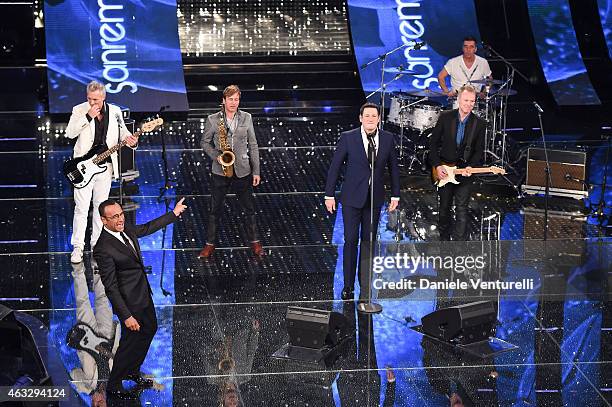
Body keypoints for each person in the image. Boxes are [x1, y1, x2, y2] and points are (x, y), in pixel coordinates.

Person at [93, 197, 187, 398]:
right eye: (114, 217)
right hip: (129, 303)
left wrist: (174, 214)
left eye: (121, 214)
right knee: (130, 341)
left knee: (150, 328)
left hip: (143, 294)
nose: (120, 219)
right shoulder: (103, 248)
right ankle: (114, 382)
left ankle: (132, 371)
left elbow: (147, 228)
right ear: (104, 220)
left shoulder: (125, 229)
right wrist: (126, 316)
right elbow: (110, 287)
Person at [324, 103, 400, 300]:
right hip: (351, 199)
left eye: (374, 116)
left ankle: (365, 285)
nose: (370, 119)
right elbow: (335, 167)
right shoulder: (348, 138)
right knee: (350, 241)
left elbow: (393, 168)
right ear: (360, 118)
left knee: (369, 243)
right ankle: (348, 287)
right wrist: (329, 195)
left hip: (374, 200)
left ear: (379, 119)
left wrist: (395, 194)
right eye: (367, 116)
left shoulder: (387, 138)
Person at [65, 80, 138, 264]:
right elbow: (70, 133)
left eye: (96, 99)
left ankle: (96, 245)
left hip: (105, 167)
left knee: (100, 208)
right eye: (89, 99)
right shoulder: (79, 110)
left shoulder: (114, 112)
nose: (92, 103)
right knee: (81, 208)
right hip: (84, 167)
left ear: (103, 97)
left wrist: (132, 141)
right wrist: (87, 116)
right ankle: (78, 247)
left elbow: (124, 133)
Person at [199, 85, 263, 258]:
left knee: (249, 209)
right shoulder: (213, 120)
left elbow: (254, 144)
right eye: (231, 99)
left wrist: (256, 171)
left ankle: (255, 243)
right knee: (215, 210)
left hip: (242, 170)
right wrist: (216, 157)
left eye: (237, 99)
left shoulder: (247, 117)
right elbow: (204, 142)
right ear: (224, 100)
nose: (234, 103)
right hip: (220, 170)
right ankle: (209, 245)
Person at [429, 85, 486, 241]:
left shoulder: (479, 123)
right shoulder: (445, 117)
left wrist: (471, 166)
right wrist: (437, 165)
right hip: (445, 170)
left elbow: (478, 151)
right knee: (444, 210)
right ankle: (444, 243)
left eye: (472, 101)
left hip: (465, 173)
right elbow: (433, 144)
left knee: (461, 210)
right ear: (459, 100)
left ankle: (458, 247)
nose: (469, 104)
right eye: (466, 100)